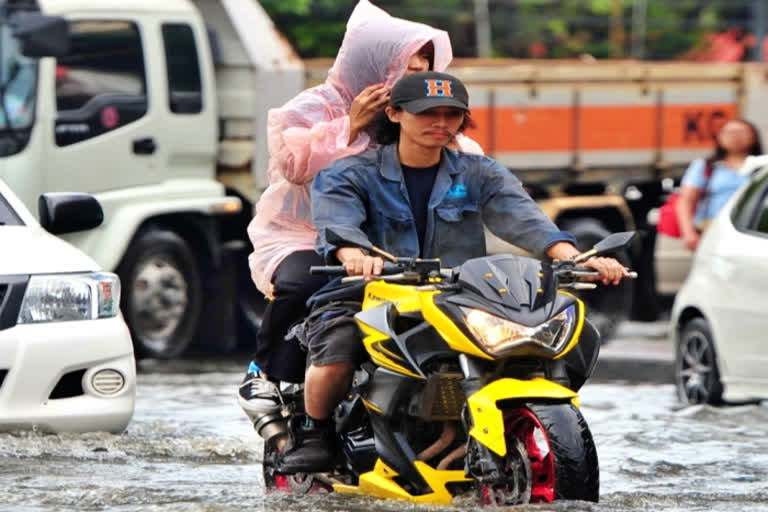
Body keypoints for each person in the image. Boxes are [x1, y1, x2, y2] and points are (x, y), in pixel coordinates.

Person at [276, 71, 631, 473]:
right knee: (338, 348)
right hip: (365, 291)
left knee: (562, 334)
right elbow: (339, 227)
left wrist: (575, 258)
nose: (440, 123)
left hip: (458, 294)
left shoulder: (480, 172)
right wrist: (355, 255)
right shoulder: (348, 173)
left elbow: (529, 222)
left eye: (452, 114)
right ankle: (314, 433)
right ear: (394, 114)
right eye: (428, 113)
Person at [237, 1, 482, 426]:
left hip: (390, 242)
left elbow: (477, 177)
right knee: (302, 284)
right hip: (305, 234)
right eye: (409, 68)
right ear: (376, 64)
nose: (419, 77)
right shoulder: (313, 107)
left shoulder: (416, 117)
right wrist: (349, 126)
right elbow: (295, 166)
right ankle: (268, 374)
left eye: (426, 67)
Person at [676, 118, 763, 251]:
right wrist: (688, 233)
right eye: (729, 133)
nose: (735, 137)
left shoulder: (763, 166)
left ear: (754, 136)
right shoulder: (706, 166)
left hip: (754, 232)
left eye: (741, 132)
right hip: (712, 231)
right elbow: (686, 200)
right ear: (719, 137)